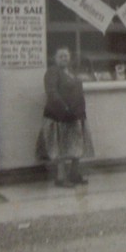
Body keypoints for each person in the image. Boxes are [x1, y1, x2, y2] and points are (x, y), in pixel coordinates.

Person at [38, 46, 88, 187]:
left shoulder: (71, 72)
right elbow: (52, 93)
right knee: (62, 147)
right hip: (60, 116)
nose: (64, 58)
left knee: (76, 145)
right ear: (55, 58)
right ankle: (60, 178)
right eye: (61, 56)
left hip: (76, 114)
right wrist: (64, 108)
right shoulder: (52, 72)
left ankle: (74, 174)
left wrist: (79, 110)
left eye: (66, 55)